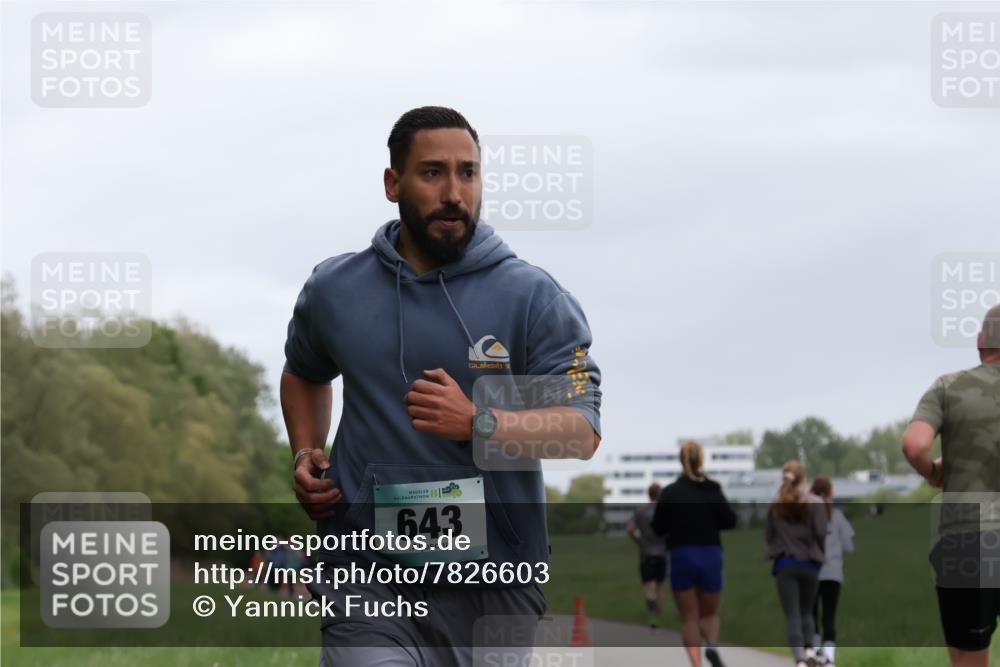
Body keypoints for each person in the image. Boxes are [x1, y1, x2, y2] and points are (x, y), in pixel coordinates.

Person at [281, 106, 602, 666]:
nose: (454, 193)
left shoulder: (533, 298)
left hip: (495, 584)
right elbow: (304, 372)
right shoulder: (336, 288)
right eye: (433, 173)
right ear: (393, 183)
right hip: (365, 575)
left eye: (467, 173)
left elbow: (581, 432)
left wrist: (479, 423)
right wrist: (306, 451)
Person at [903, 304, 1000, 667]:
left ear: (980, 341)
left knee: (969, 657)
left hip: (968, 541)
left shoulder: (948, 387)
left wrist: (932, 471)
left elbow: (915, 445)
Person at [652, 440, 737, 667]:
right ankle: (712, 646)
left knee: (690, 618)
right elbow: (730, 520)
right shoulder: (713, 488)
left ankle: (697, 665)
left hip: (682, 555)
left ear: (681, 461)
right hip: (710, 553)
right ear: (701, 460)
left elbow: (657, 527)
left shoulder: (670, 492)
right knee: (709, 615)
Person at [765, 460, 827, 667]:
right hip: (810, 563)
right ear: (803, 479)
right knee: (807, 611)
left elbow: (769, 536)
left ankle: (799, 659)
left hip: (785, 563)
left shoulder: (777, 504)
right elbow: (821, 532)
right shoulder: (815, 503)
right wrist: (819, 552)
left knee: (792, 614)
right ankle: (809, 649)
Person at [809, 475, 854, 667]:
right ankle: (828, 660)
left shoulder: (808, 516)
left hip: (812, 572)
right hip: (833, 572)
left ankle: (814, 654)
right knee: (829, 617)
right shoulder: (837, 516)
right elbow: (849, 546)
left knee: (811, 616)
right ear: (830, 492)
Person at [627, 482, 667, 628]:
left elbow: (630, 529)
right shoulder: (665, 511)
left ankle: (650, 600)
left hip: (646, 553)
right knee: (660, 587)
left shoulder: (641, 511)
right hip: (662, 552)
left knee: (649, 584)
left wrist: (639, 541)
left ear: (648, 494)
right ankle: (657, 620)